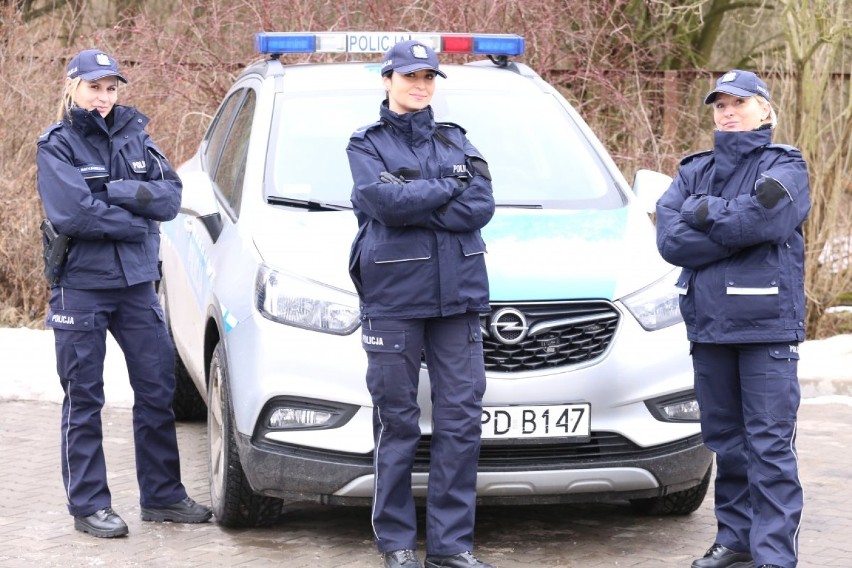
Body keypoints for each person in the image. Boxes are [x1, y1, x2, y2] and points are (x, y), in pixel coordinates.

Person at [35, 49, 213, 538]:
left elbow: (171, 198)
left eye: (111, 88)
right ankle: (89, 505)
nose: (104, 97)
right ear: (72, 86)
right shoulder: (56, 145)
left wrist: (110, 192)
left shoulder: (137, 135)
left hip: (137, 287)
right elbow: (73, 214)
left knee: (158, 392)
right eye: (94, 87)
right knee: (84, 398)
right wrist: (137, 216)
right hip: (82, 288)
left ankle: (163, 495)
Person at [346, 40, 496, 568]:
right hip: (394, 299)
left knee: (460, 422)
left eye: (429, 77)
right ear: (386, 80)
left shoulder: (457, 139)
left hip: (458, 301)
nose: (421, 85)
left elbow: (480, 205)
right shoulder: (366, 144)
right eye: (410, 76)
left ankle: (451, 545)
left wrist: (416, 194)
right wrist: (443, 189)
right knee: (399, 421)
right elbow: (381, 201)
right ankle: (396, 543)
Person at [655, 69, 810, 568]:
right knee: (727, 441)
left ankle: (773, 556)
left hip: (766, 328)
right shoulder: (693, 172)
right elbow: (670, 241)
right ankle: (736, 540)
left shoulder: (785, 166)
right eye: (719, 105)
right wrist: (730, 223)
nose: (727, 112)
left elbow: (765, 218)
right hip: (709, 328)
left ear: (764, 109)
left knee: (768, 446)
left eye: (738, 103)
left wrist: (703, 214)